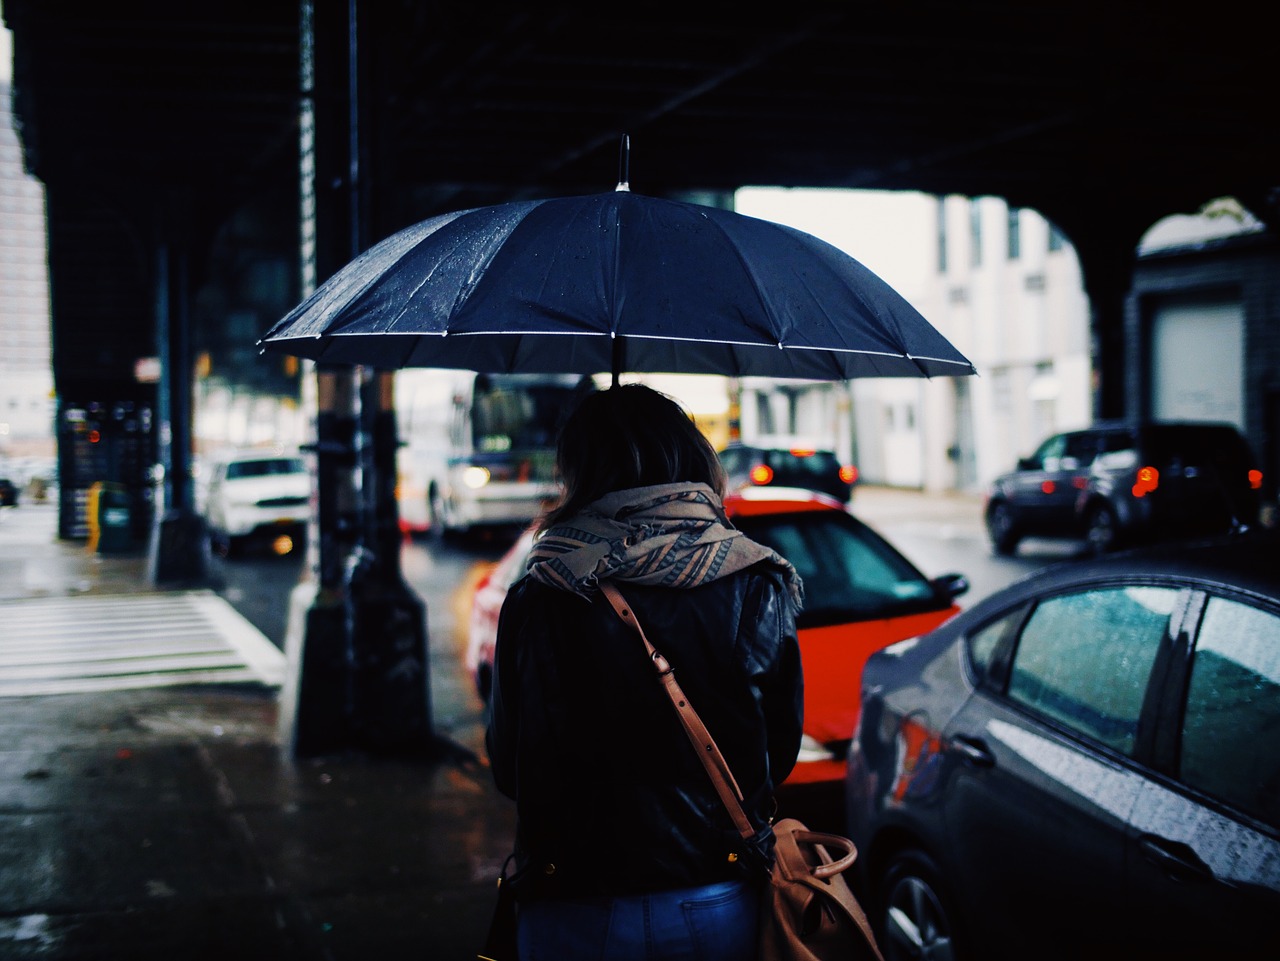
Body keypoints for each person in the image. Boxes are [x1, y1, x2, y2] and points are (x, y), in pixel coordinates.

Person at [486, 383, 804, 961]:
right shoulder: (757, 581)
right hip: (714, 893)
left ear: (579, 471)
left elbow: (510, 766)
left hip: (570, 899)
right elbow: (776, 754)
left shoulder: (540, 593)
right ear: (694, 459)